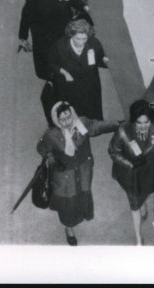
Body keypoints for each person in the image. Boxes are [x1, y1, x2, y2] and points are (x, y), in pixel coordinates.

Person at [37, 101, 118, 245]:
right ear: (57, 120)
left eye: (69, 117)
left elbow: (98, 126)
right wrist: (50, 157)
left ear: (72, 114)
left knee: (83, 193)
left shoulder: (82, 124)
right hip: (64, 176)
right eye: (62, 119)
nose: (67, 122)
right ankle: (69, 228)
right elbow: (41, 147)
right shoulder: (51, 135)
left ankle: (81, 214)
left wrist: (117, 124)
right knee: (67, 202)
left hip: (83, 169)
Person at [109, 100, 154, 245]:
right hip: (132, 174)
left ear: (151, 120)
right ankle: (138, 238)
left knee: (148, 192)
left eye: (146, 122)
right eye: (139, 123)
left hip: (151, 169)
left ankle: (144, 205)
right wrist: (130, 164)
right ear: (133, 121)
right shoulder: (122, 131)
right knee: (134, 205)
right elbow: (113, 152)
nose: (143, 126)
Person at [18, 0, 89, 80]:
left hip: (63, 28)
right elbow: (26, 16)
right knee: (48, 58)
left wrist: (82, 6)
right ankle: (50, 78)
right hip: (44, 34)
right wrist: (23, 36)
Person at [46, 18, 109, 121]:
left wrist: (105, 61)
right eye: (78, 39)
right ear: (71, 35)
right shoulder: (60, 46)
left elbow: (100, 59)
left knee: (92, 107)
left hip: (90, 82)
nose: (81, 42)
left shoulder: (94, 43)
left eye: (84, 39)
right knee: (73, 108)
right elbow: (51, 63)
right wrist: (64, 73)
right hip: (70, 83)